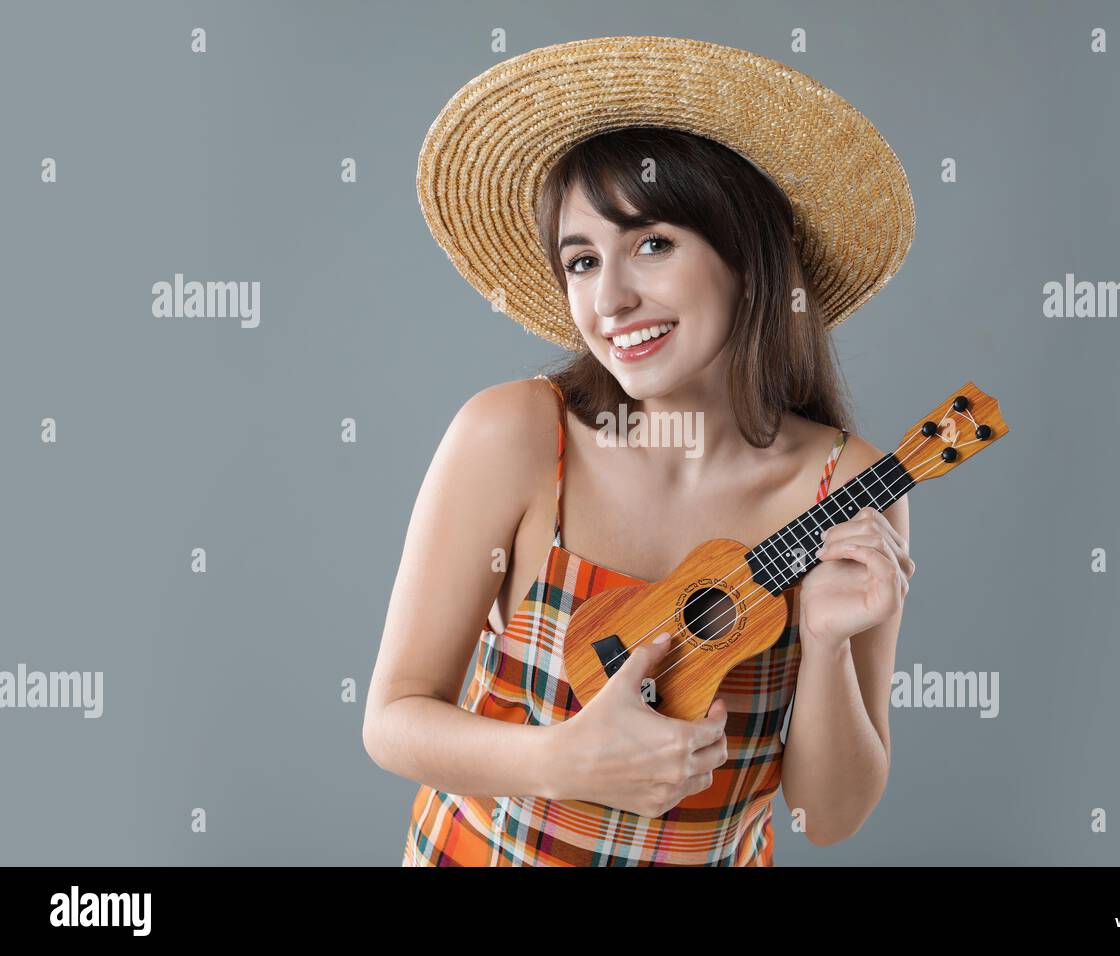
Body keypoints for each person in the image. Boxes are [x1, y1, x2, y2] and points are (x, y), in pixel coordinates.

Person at [363, 36, 917, 866]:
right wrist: (563, 760)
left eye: (652, 244)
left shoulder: (844, 485)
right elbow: (395, 718)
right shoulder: (518, 436)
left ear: (747, 257)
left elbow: (830, 817)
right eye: (581, 261)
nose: (611, 299)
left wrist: (828, 642)